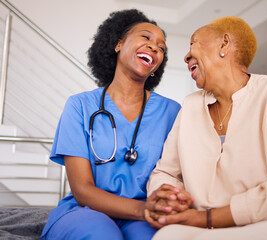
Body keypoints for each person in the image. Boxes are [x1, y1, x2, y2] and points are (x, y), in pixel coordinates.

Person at [144, 16, 267, 240]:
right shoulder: (191, 105)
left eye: (194, 43)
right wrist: (166, 196)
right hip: (220, 228)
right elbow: (166, 172)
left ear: (224, 44)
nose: (186, 55)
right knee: (166, 236)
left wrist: (206, 219)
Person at [40, 9, 180, 240]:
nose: (155, 47)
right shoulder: (80, 106)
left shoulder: (172, 112)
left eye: (161, 47)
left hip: (145, 215)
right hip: (86, 210)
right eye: (145, 38)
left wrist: (153, 209)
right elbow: (82, 190)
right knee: (101, 234)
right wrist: (142, 210)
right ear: (118, 44)